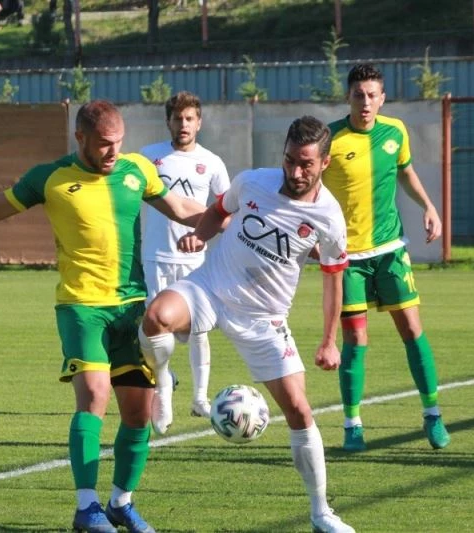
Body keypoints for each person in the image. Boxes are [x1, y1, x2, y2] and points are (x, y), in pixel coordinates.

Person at [0, 100, 206, 533]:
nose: (113, 152)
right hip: (81, 307)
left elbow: (182, 209)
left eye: (119, 143)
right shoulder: (49, 178)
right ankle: (86, 507)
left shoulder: (136, 170)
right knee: (95, 394)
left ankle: (121, 503)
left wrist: (230, 216)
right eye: (105, 144)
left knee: (139, 414)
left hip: (131, 307)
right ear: (80, 138)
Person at [139, 115, 355, 533]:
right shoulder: (253, 181)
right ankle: (162, 382)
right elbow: (219, 210)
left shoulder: (329, 218)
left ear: (325, 163)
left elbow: (334, 282)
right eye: (290, 159)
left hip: (263, 319)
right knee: (156, 317)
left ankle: (321, 512)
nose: (295, 171)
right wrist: (201, 236)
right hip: (210, 288)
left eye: (306, 164)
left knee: (298, 410)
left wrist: (330, 340)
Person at [322, 63, 451, 452]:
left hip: (391, 249)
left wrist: (429, 206)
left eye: (372, 95)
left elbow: (406, 172)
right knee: (356, 339)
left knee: (412, 329)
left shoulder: (395, 132)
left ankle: (432, 415)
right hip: (347, 258)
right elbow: (309, 189)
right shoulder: (329, 138)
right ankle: (352, 426)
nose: (365, 102)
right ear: (348, 96)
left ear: (382, 98)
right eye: (358, 94)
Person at [140, 91, 230, 430]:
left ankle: (200, 399)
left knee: (199, 331)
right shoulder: (149, 158)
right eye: (177, 118)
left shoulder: (212, 162)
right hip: (155, 258)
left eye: (190, 118)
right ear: (168, 121)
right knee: (151, 332)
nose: (183, 124)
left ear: (199, 122)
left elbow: (225, 210)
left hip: (195, 262)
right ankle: (163, 383)